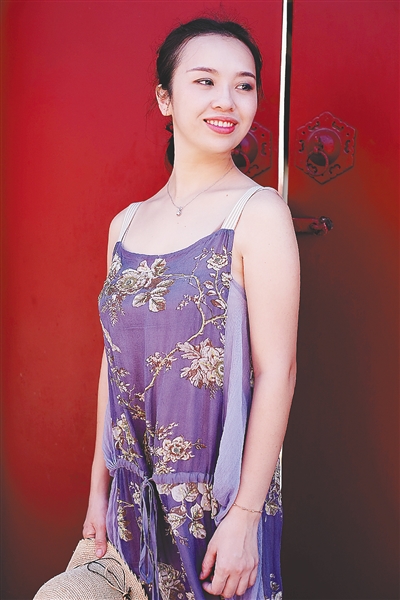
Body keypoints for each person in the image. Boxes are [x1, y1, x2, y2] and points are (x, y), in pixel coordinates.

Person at [83, 17, 300, 600]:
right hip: (132, 495)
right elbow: (112, 364)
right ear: (165, 98)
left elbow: (277, 371)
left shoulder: (258, 213)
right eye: (205, 81)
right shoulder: (125, 224)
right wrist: (98, 491)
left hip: (216, 501)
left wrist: (245, 516)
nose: (227, 100)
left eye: (244, 85)